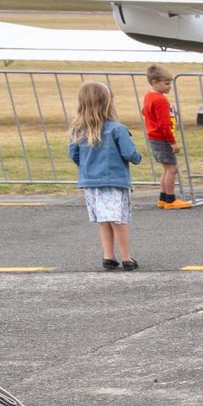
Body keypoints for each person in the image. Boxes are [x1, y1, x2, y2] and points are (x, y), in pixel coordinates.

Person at [67, 82, 141, 270]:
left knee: (104, 220)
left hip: (91, 182)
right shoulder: (117, 129)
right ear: (108, 103)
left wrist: (87, 166)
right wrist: (137, 158)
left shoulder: (78, 129)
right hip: (114, 181)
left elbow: (73, 154)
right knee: (118, 220)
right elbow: (129, 153)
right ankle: (126, 258)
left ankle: (108, 255)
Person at [139, 67, 188, 208]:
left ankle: (163, 197)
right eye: (166, 84)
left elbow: (144, 111)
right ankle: (171, 200)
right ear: (154, 82)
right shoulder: (160, 99)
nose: (169, 87)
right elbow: (164, 125)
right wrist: (173, 142)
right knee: (172, 169)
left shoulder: (149, 95)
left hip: (153, 137)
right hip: (162, 138)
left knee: (167, 169)